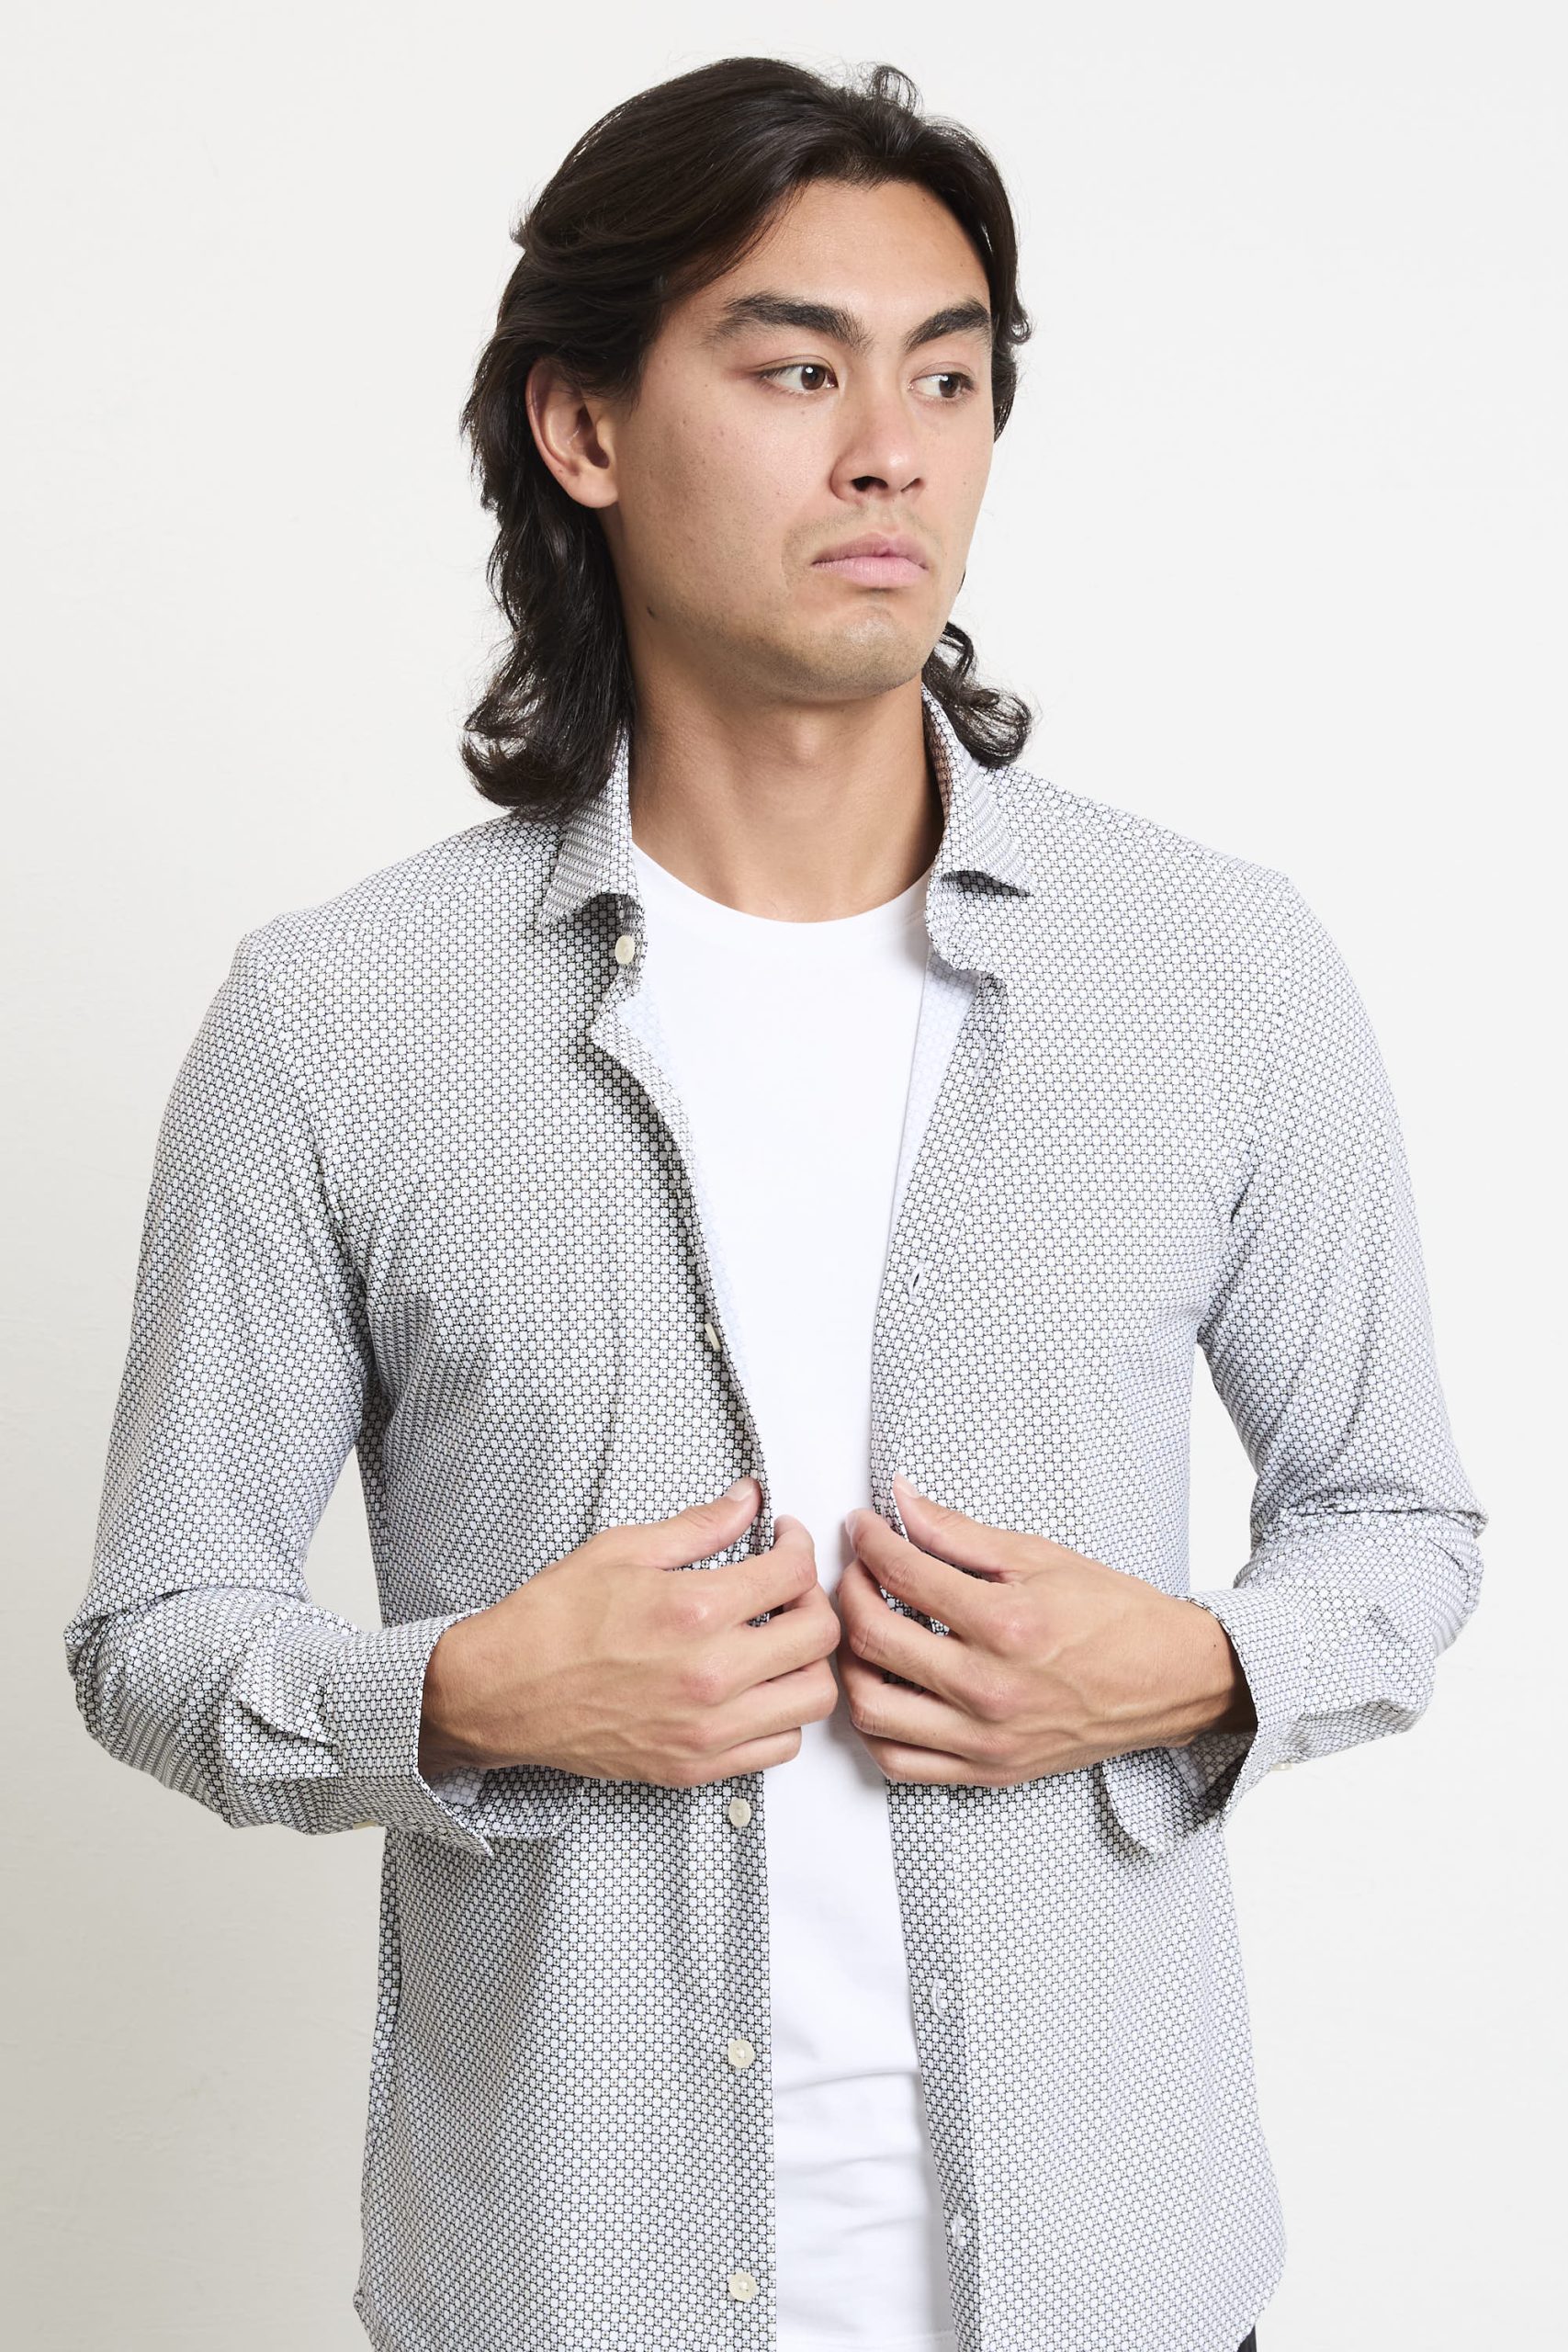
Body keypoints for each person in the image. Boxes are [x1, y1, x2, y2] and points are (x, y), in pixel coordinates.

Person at [63, 55, 1484, 2352]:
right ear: (584, 427)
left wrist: (1191, 1664)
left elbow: (1396, 1523)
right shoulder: (339, 1018)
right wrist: (460, 1694)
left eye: (948, 373)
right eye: (796, 368)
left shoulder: (1216, 971)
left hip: (1118, 2294)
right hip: (570, 2295)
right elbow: (153, 1628)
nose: (890, 450)